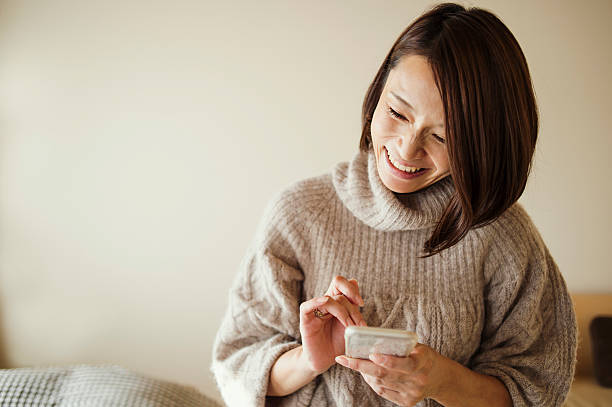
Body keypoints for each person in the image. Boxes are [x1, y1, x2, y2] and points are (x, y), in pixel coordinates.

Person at [210, 2, 578, 406]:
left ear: (482, 145)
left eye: (442, 137)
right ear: (378, 91)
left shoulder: (504, 238)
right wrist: (310, 359)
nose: (407, 148)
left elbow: (536, 390)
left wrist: (441, 380)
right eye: (397, 112)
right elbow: (238, 364)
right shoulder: (299, 213)